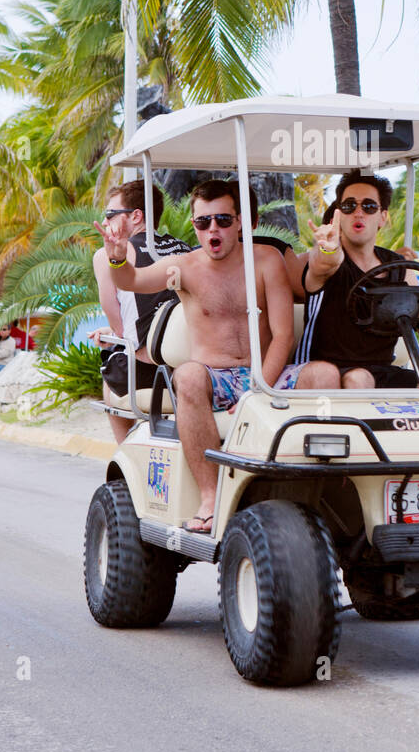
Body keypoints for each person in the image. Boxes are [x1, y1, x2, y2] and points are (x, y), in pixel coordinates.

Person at [96, 179, 296, 533]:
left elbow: (283, 335)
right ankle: (210, 497)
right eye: (203, 223)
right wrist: (116, 259)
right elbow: (132, 280)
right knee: (187, 376)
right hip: (215, 379)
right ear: (195, 227)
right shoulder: (184, 265)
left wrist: (259, 388)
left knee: (324, 376)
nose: (213, 229)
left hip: (267, 375)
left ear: (238, 221)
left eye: (222, 220)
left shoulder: (267, 261)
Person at [294, 170, 419, 390]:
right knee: (360, 379)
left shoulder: (399, 268)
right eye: (350, 206)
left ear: (382, 217)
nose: (359, 213)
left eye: (368, 207)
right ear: (339, 214)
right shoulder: (330, 260)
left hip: (379, 371)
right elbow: (324, 263)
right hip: (324, 371)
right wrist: (327, 250)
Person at [91, 180, 191, 444]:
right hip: (188, 363)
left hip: (149, 368)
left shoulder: (108, 256)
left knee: (110, 365)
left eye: (111, 215)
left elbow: (121, 330)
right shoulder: (184, 249)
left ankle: (123, 448)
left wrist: (111, 332)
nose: (106, 221)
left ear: (136, 215)